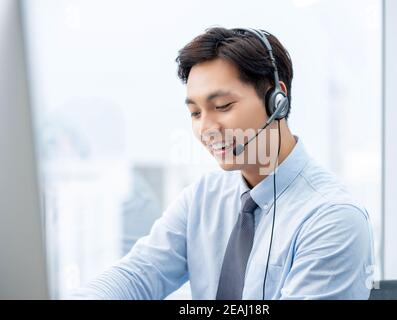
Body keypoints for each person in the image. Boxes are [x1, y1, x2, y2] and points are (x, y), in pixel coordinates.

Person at [72, 27, 374, 300]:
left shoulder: (333, 218)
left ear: (276, 100)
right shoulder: (203, 196)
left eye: (222, 106)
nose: (206, 128)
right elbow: (139, 274)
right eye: (195, 113)